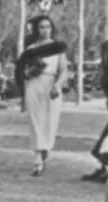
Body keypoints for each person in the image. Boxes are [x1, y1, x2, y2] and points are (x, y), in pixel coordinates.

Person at [15, 15, 68, 176]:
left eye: (48, 27)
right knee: (35, 120)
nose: (45, 30)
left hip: (51, 85)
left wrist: (58, 85)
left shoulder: (58, 48)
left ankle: (45, 149)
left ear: (52, 29)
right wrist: (29, 72)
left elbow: (64, 70)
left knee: (49, 122)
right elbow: (21, 70)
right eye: (42, 27)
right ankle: (37, 158)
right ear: (37, 30)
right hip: (33, 85)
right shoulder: (30, 49)